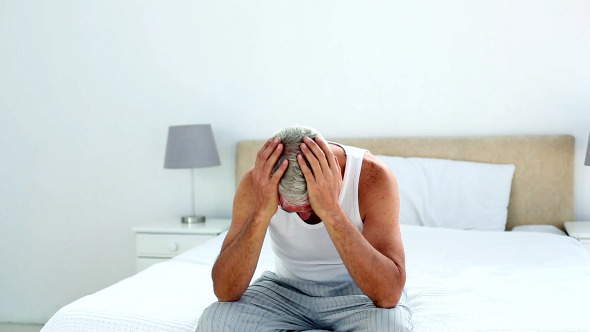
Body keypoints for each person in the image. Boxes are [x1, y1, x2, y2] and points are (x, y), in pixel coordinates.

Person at [197, 125, 411, 332]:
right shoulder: (258, 183)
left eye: (311, 208)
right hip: (285, 291)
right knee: (214, 322)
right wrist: (261, 212)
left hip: (358, 293)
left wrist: (331, 211)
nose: (305, 216)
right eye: (291, 210)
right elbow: (225, 291)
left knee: (392, 329)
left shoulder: (373, 176)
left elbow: (388, 294)